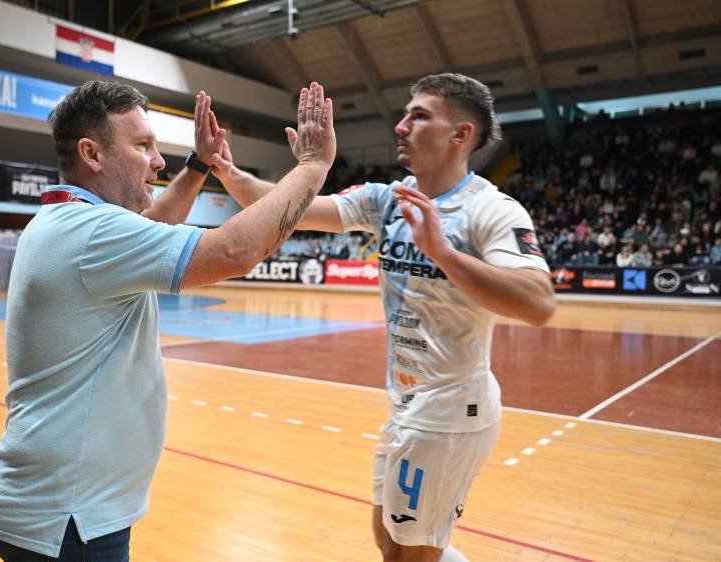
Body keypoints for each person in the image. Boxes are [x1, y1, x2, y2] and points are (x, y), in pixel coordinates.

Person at [0, 80, 336, 560]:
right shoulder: (92, 232)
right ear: (92, 154)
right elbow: (235, 251)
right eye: (142, 146)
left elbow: (153, 227)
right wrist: (313, 167)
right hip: (70, 519)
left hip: (60, 510)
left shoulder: (67, 220)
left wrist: (200, 165)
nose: (157, 162)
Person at [212, 73, 555, 562]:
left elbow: (539, 303)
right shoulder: (386, 198)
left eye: (419, 116)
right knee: (389, 540)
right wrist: (226, 171)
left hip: (449, 413)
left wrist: (444, 253)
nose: (400, 125)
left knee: (408, 553)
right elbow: (290, 209)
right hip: (405, 405)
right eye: (405, 113)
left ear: (461, 134)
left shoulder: (493, 210)